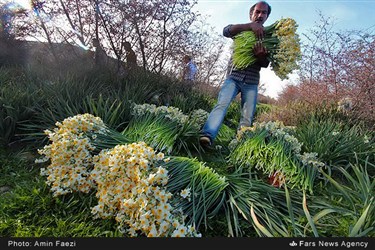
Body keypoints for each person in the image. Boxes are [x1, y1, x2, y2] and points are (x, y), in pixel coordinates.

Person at [199, 1, 271, 148]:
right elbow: (226, 31)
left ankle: (240, 145)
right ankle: (207, 135)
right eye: (257, 11)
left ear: (267, 16)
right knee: (221, 105)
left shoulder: (269, 37)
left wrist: (260, 56)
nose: (260, 15)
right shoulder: (243, 30)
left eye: (264, 12)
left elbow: (265, 64)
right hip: (233, 77)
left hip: (251, 82)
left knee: (247, 115)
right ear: (251, 14)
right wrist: (249, 26)